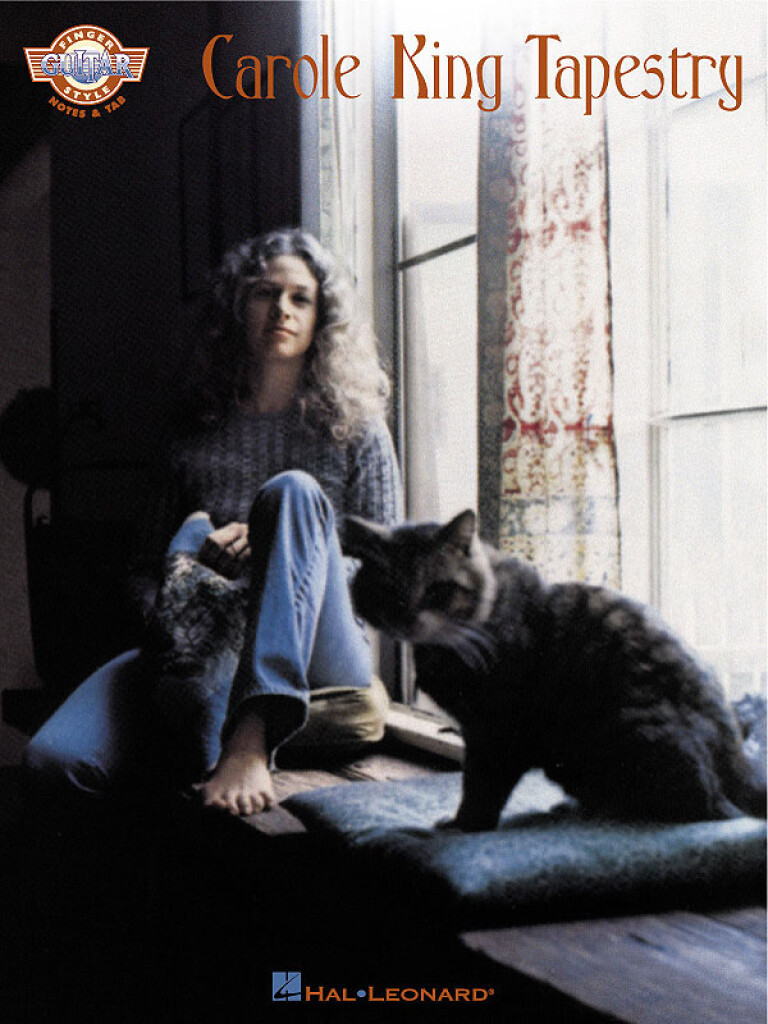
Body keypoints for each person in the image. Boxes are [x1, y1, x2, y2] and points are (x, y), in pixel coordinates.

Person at [23, 228, 403, 817]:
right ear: (236, 307)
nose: (281, 309)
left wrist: (279, 555)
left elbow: (385, 571)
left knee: (292, 494)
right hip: (204, 637)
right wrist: (193, 582)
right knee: (54, 760)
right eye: (264, 293)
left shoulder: (356, 428)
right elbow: (143, 570)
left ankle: (251, 735)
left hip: (322, 649)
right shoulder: (193, 428)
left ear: (322, 316)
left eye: (300, 298)